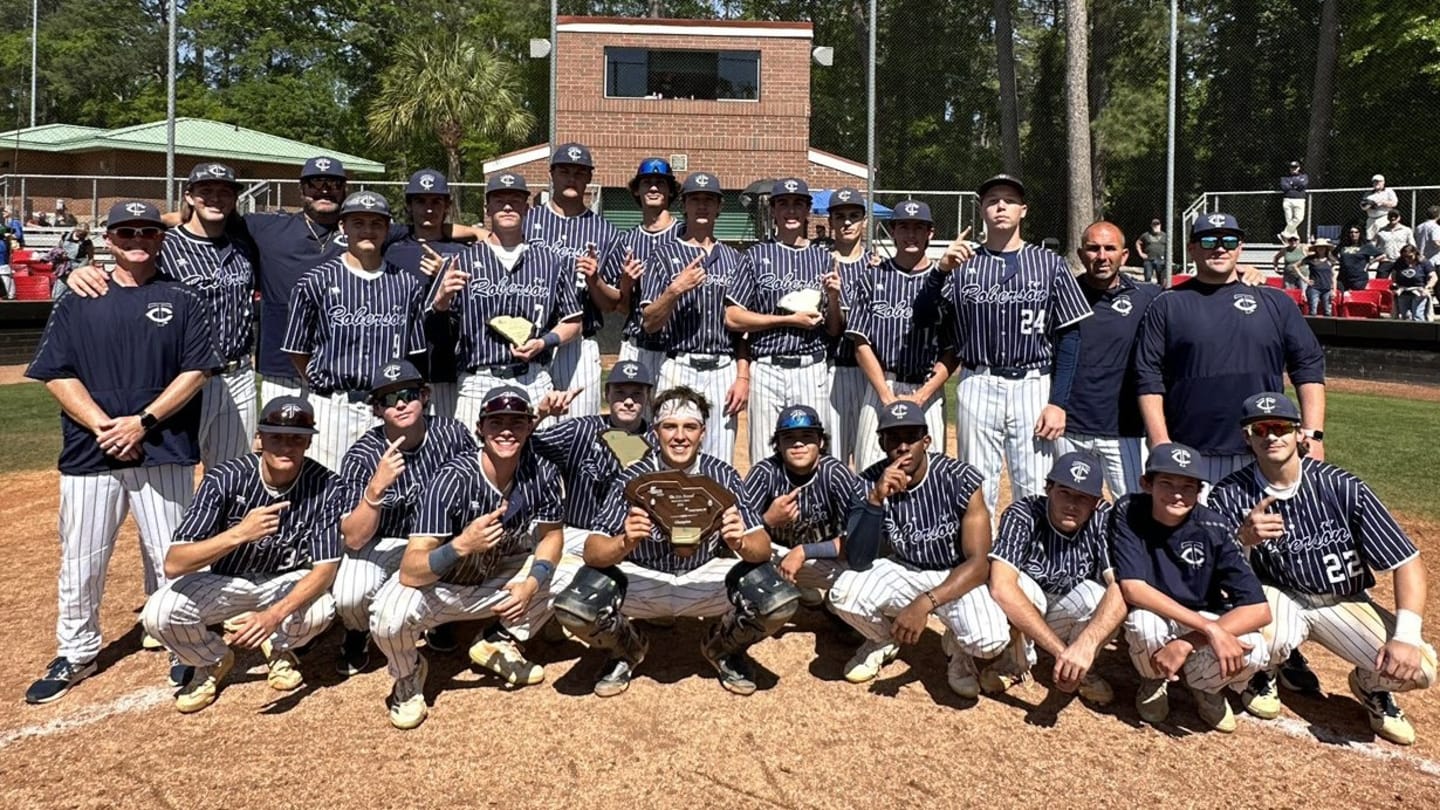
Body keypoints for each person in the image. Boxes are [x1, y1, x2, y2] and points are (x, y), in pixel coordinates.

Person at [23, 201, 217, 705]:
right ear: (108, 239)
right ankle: (77, 648)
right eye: (126, 231)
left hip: (164, 447)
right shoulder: (78, 296)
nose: (137, 238)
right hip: (92, 452)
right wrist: (104, 425)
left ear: (160, 238)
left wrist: (143, 421)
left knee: (172, 558)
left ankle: (183, 644)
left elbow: (195, 371)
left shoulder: (183, 296)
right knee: (82, 559)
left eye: (147, 231)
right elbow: (56, 372)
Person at [1207, 392, 1436, 745]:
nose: (1271, 435)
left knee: (1420, 667)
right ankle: (1263, 673)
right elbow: (1217, 576)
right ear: (1246, 437)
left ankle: (1369, 685)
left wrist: (1405, 636)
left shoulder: (1341, 486)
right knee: (1255, 638)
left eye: (1281, 427)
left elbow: (1406, 561)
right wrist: (1244, 539)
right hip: (1277, 598)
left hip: (1342, 601)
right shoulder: (1230, 495)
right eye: (1260, 428)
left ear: (1300, 434)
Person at [553, 386, 799, 697]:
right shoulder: (633, 476)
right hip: (644, 576)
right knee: (576, 605)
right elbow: (593, 551)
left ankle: (722, 645)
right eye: (669, 426)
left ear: (703, 432)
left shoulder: (722, 475)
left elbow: (761, 547)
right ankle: (626, 647)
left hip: (704, 576)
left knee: (778, 600)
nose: (679, 436)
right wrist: (624, 542)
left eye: (690, 427)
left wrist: (740, 542)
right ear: (655, 431)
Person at [369, 385, 571, 729]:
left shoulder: (543, 473)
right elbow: (410, 570)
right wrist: (461, 544)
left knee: (572, 573)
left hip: (495, 580)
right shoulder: (453, 478)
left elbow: (552, 537)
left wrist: (531, 583)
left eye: (516, 422)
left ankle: (497, 638)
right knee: (388, 616)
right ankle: (408, 673)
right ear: (480, 428)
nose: (506, 431)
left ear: (528, 426)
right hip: (441, 587)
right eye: (496, 422)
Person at [141, 396, 344, 713]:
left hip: (286, 582)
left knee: (322, 610)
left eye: (296, 438)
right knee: (158, 613)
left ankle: (279, 649)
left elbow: (325, 570)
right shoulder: (225, 478)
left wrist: (272, 616)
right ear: (259, 439)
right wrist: (239, 534)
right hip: (228, 580)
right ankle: (213, 659)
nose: (286, 446)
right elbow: (174, 563)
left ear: (308, 442)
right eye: (276, 436)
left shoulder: (327, 485)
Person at [937, 174, 1092, 524]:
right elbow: (926, 318)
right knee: (975, 483)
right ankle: (978, 565)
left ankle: (1030, 564)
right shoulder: (963, 265)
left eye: (1009, 200)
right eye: (992, 200)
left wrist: (1058, 402)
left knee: (1035, 483)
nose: (1001, 206)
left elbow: (1070, 336)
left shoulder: (1049, 264)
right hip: (977, 379)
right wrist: (940, 271)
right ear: (981, 210)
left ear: (1023, 210)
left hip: (1033, 383)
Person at [829, 401, 1009, 698]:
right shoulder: (869, 480)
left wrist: (924, 604)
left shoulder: (960, 478)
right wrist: (875, 499)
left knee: (989, 640)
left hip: (955, 575)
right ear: (881, 443)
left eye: (910, 436)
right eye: (892, 438)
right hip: (905, 568)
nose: (902, 447)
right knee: (844, 594)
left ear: (926, 441)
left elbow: (979, 564)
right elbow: (859, 559)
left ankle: (959, 651)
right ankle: (883, 640)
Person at [1134, 212, 1327, 484]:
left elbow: (1308, 366)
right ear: (1192, 248)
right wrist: (1160, 441)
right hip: (1191, 453)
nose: (1220, 247)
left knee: (1266, 527)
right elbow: (1147, 376)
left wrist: (1314, 434)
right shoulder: (1167, 304)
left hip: (1265, 450)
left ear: (1240, 247)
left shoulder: (1275, 301)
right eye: (1209, 241)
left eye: (1229, 240)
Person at [1110, 443, 1272, 733]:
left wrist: (1189, 642)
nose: (1177, 494)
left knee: (1256, 648)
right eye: (1167, 483)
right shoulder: (1128, 510)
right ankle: (1153, 680)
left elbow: (1259, 609)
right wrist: (1210, 631)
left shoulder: (1214, 526)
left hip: (1202, 613)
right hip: (1158, 612)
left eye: (1188, 486)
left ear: (1199, 491)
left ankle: (1205, 688)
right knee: (1143, 624)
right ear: (1146, 483)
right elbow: (1133, 588)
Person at [330, 360, 476, 676]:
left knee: (469, 549)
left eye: (408, 394)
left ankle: (438, 621)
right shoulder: (363, 454)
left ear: (424, 395)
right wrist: (375, 489)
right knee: (349, 593)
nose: (399, 404)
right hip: (382, 542)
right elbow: (354, 537)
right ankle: (357, 631)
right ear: (377, 409)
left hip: (436, 539)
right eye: (388, 399)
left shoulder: (453, 435)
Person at [281, 192, 427, 471]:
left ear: (387, 228)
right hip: (333, 405)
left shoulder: (407, 284)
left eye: (376, 223)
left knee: (389, 494)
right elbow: (298, 350)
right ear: (342, 227)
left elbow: (414, 354)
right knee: (327, 490)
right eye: (358, 222)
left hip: (389, 407)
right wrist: (321, 383)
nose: (367, 230)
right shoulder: (315, 281)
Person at [428, 172, 582, 429]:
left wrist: (543, 343)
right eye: (499, 200)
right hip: (478, 379)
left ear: (527, 207)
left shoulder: (550, 261)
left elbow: (574, 322)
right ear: (487, 208)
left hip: (533, 378)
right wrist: (441, 302)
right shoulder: (461, 260)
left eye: (515, 199)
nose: (508, 206)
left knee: (536, 458)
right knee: (472, 458)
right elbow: (437, 333)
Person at [985, 452, 1126, 704]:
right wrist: (1062, 653)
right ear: (1048, 488)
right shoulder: (1024, 513)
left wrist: (1084, 648)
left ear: (1096, 502)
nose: (1072, 504)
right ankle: (1014, 663)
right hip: (1028, 610)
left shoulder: (1103, 518)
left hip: (1069, 611)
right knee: (1021, 587)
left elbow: (1121, 588)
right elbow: (1001, 587)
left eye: (1083, 497)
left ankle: (1082, 668)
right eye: (1065, 492)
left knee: (1101, 596)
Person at [639, 172, 750, 465]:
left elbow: (741, 329)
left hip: (723, 367)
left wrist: (742, 376)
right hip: (678, 363)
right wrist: (675, 289)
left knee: (719, 459)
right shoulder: (663, 255)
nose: (702, 206)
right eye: (695, 199)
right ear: (684, 205)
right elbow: (649, 322)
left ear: (719, 207)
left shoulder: (734, 259)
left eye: (709, 200)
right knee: (671, 453)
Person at [158, 163, 260, 466]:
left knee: (234, 476)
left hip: (239, 375)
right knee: (174, 475)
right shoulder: (164, 245)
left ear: (234, 200)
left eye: (225, 192)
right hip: (185, 378)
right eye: (206, 191)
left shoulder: (244, 246)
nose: (216, 198)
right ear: (189, 196)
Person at [731, 178, 837, 465]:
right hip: (767, 365)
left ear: (807, 211)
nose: (791, 211)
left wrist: (834, 299)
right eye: (784, 204)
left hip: (811, 366)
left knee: (815, 453)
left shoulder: (823, 259)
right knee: (766, 456)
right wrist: (787, 320)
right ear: (774, 210)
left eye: (798, 204)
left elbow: (835, 327)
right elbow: (732, 317)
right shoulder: (755, 255)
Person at [844, 200, 955, 471]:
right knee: (870, 469)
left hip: (927, 389)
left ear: (931, 233)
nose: (911, 234)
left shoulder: (948, 281)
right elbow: (861, 342)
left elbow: (953, 350)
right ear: (892, 231)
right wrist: (885, 394)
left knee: (929, 473)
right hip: (883, 385)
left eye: (919, 227)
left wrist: (922, 395)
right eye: (903, 226)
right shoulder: (872, 278)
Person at [525, 143, 619, 421]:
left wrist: (595, 281)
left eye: (579, 173)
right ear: (551, 174)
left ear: (589, 178)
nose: (571, 178)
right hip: (531, 338)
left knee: (577, 430)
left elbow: (612, 304)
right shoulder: (528, 223)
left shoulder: (605, 232)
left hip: (579, 344)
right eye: (564, 171)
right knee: (530, 428)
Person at [1064, 221, 1158, 498]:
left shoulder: (1148, 297)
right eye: (1093, 249)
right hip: (1069, 427)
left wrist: (1241, 275)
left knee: (1131, 510)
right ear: (1081, 255)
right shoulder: (1063, 295)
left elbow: (1197, 294)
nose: (1102, 256)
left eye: (1110, 248)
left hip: (1124, 429)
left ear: (1125, 255)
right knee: (1068, 512)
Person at [529, 359, 656, 556]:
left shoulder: (658, 440)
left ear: (648, 398)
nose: (628, 401)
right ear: (607, 394)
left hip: (637, 538)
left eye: (637, 394)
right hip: (580, 534)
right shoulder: (579, 430)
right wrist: (541, 414)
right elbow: (522, 445)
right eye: (620, 393)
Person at [742, 405, 862, 606]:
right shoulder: (765, 473)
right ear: (778, 444)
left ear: (821, 441)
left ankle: (837, 612)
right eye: (789, 438)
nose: (798, 443)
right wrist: (768, 520)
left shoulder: (835, 474)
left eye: (807, 436)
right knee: (739, 566)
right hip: (772, 556)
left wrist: (803, 551)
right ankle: (783, 592)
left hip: (822, 556)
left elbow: (857, 541)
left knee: (860, 575)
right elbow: (738, 535)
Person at [383, 169, 474, 421]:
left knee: (447, 439)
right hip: (405, 360)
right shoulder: (392, 251)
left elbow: (473, 303)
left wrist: (444, 272)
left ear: (447, 205)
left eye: (436, 201)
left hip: (448, 361)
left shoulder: (463, 252)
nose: (429, 208)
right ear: (409, 205)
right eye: (420, 201)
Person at [605, 158, 683, 371]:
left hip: (677, 347)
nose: (654, 188)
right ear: (637, 190)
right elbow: (621, 308)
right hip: (636, 344)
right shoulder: (626, 241)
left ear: (670, 191)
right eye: (647, 182)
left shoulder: (685, 235)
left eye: (661, 182)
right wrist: (625, 284)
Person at [824, 187, 877, 468]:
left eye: (854, 216)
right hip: (831, 368)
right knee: (834, 457)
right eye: (840, 216)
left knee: (869, 456)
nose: (847, 222)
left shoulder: (877, 265)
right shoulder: (819, 260)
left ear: (864, 221)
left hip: (869, 373)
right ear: (830, 221)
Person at [1389, 245, 1435, 322]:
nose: (1407, 259)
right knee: (1405, 316)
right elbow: (1394, 274)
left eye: (1410, 257)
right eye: (1405, 256)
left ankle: (1420, 332)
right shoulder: (1400, 262)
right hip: (1403, 291)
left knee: (1417, 315)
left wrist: (1428, 288)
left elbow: (1433, 276)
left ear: (1415, 253)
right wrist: (1395, 285)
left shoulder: (1423, 262)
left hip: (1419, 291)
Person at [1336, 225, 1380, 291]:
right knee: (1342, 299)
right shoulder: (1343, 245)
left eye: (1356, 232)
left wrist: (1370, 263)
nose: (1354, 234)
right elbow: (1332, 254)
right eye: (1351, 232)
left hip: (1358, 279)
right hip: (1343, 278)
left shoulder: (1366, 246)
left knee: (1357, 298)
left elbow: (1382, 255)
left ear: (1360, 233)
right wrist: (1339, 261)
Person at [1302, 238, 1337, 317]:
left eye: (1323, 247)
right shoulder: (1311, 259)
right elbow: (1295, 266)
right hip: (1314, 288)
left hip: (1327, 288)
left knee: (1328, 312)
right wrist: (1305, 279)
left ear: (1326, 248)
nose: (1321, 248)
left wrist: (1333, 290)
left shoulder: (1330, 260)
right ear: (1316, 248)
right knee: (1313, 312)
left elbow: (1333, 276)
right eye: (1319, 247)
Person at [1374, 210, 1416, 276]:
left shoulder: (1406, 230)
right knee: (1380, 281)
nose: (1393, 218)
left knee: (1403, 280)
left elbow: (1412, 246)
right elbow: (1375, 246)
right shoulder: (1381, 231)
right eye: (1391, 216)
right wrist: (1378, 256)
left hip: (1401, 260)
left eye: (1395, 216)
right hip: (1386, 260)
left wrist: (1410, 258)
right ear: (1388, 217)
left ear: (1399, 218)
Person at [1362, 174, 1398, 241]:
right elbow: (1363, 207)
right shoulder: (1368, 194)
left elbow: (1394, 203)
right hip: (1371, 219)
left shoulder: (1389, 191)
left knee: (1383, 238)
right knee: (1370, 239)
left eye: (1379, 181)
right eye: (1375, 181)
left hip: (1384, 218)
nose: (1377, 183)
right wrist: (1370, 205)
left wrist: (1382, 202)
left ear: (1383, 182)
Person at [1278, 160, 1308, 241]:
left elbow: (1303, 185)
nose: (1293, 169)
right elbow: (1285, 187)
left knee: (1299, 218)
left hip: (1300, 200)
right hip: (1288, 200)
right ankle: (1292, 241)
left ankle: (1284, 234)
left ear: (1299, 168)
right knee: (1289, 221)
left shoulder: (1304, 176)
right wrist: (1295, 185)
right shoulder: (1284, 178)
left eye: (1295, 167)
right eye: (1292, 168)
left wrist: (1291, 185)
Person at [1134, 218, 1167, 283]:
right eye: (1154, 225)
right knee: (1147, 278)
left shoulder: (1165, 235)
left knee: (1161, 280)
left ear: (1160, 225)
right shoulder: (1146, 235)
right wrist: (1141, 253)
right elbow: (1138, 243)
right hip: (1149, 260)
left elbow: (1170, 246)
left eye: (1157, 224)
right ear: (1151, 226)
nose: (1156, 226)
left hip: (1161, 260)